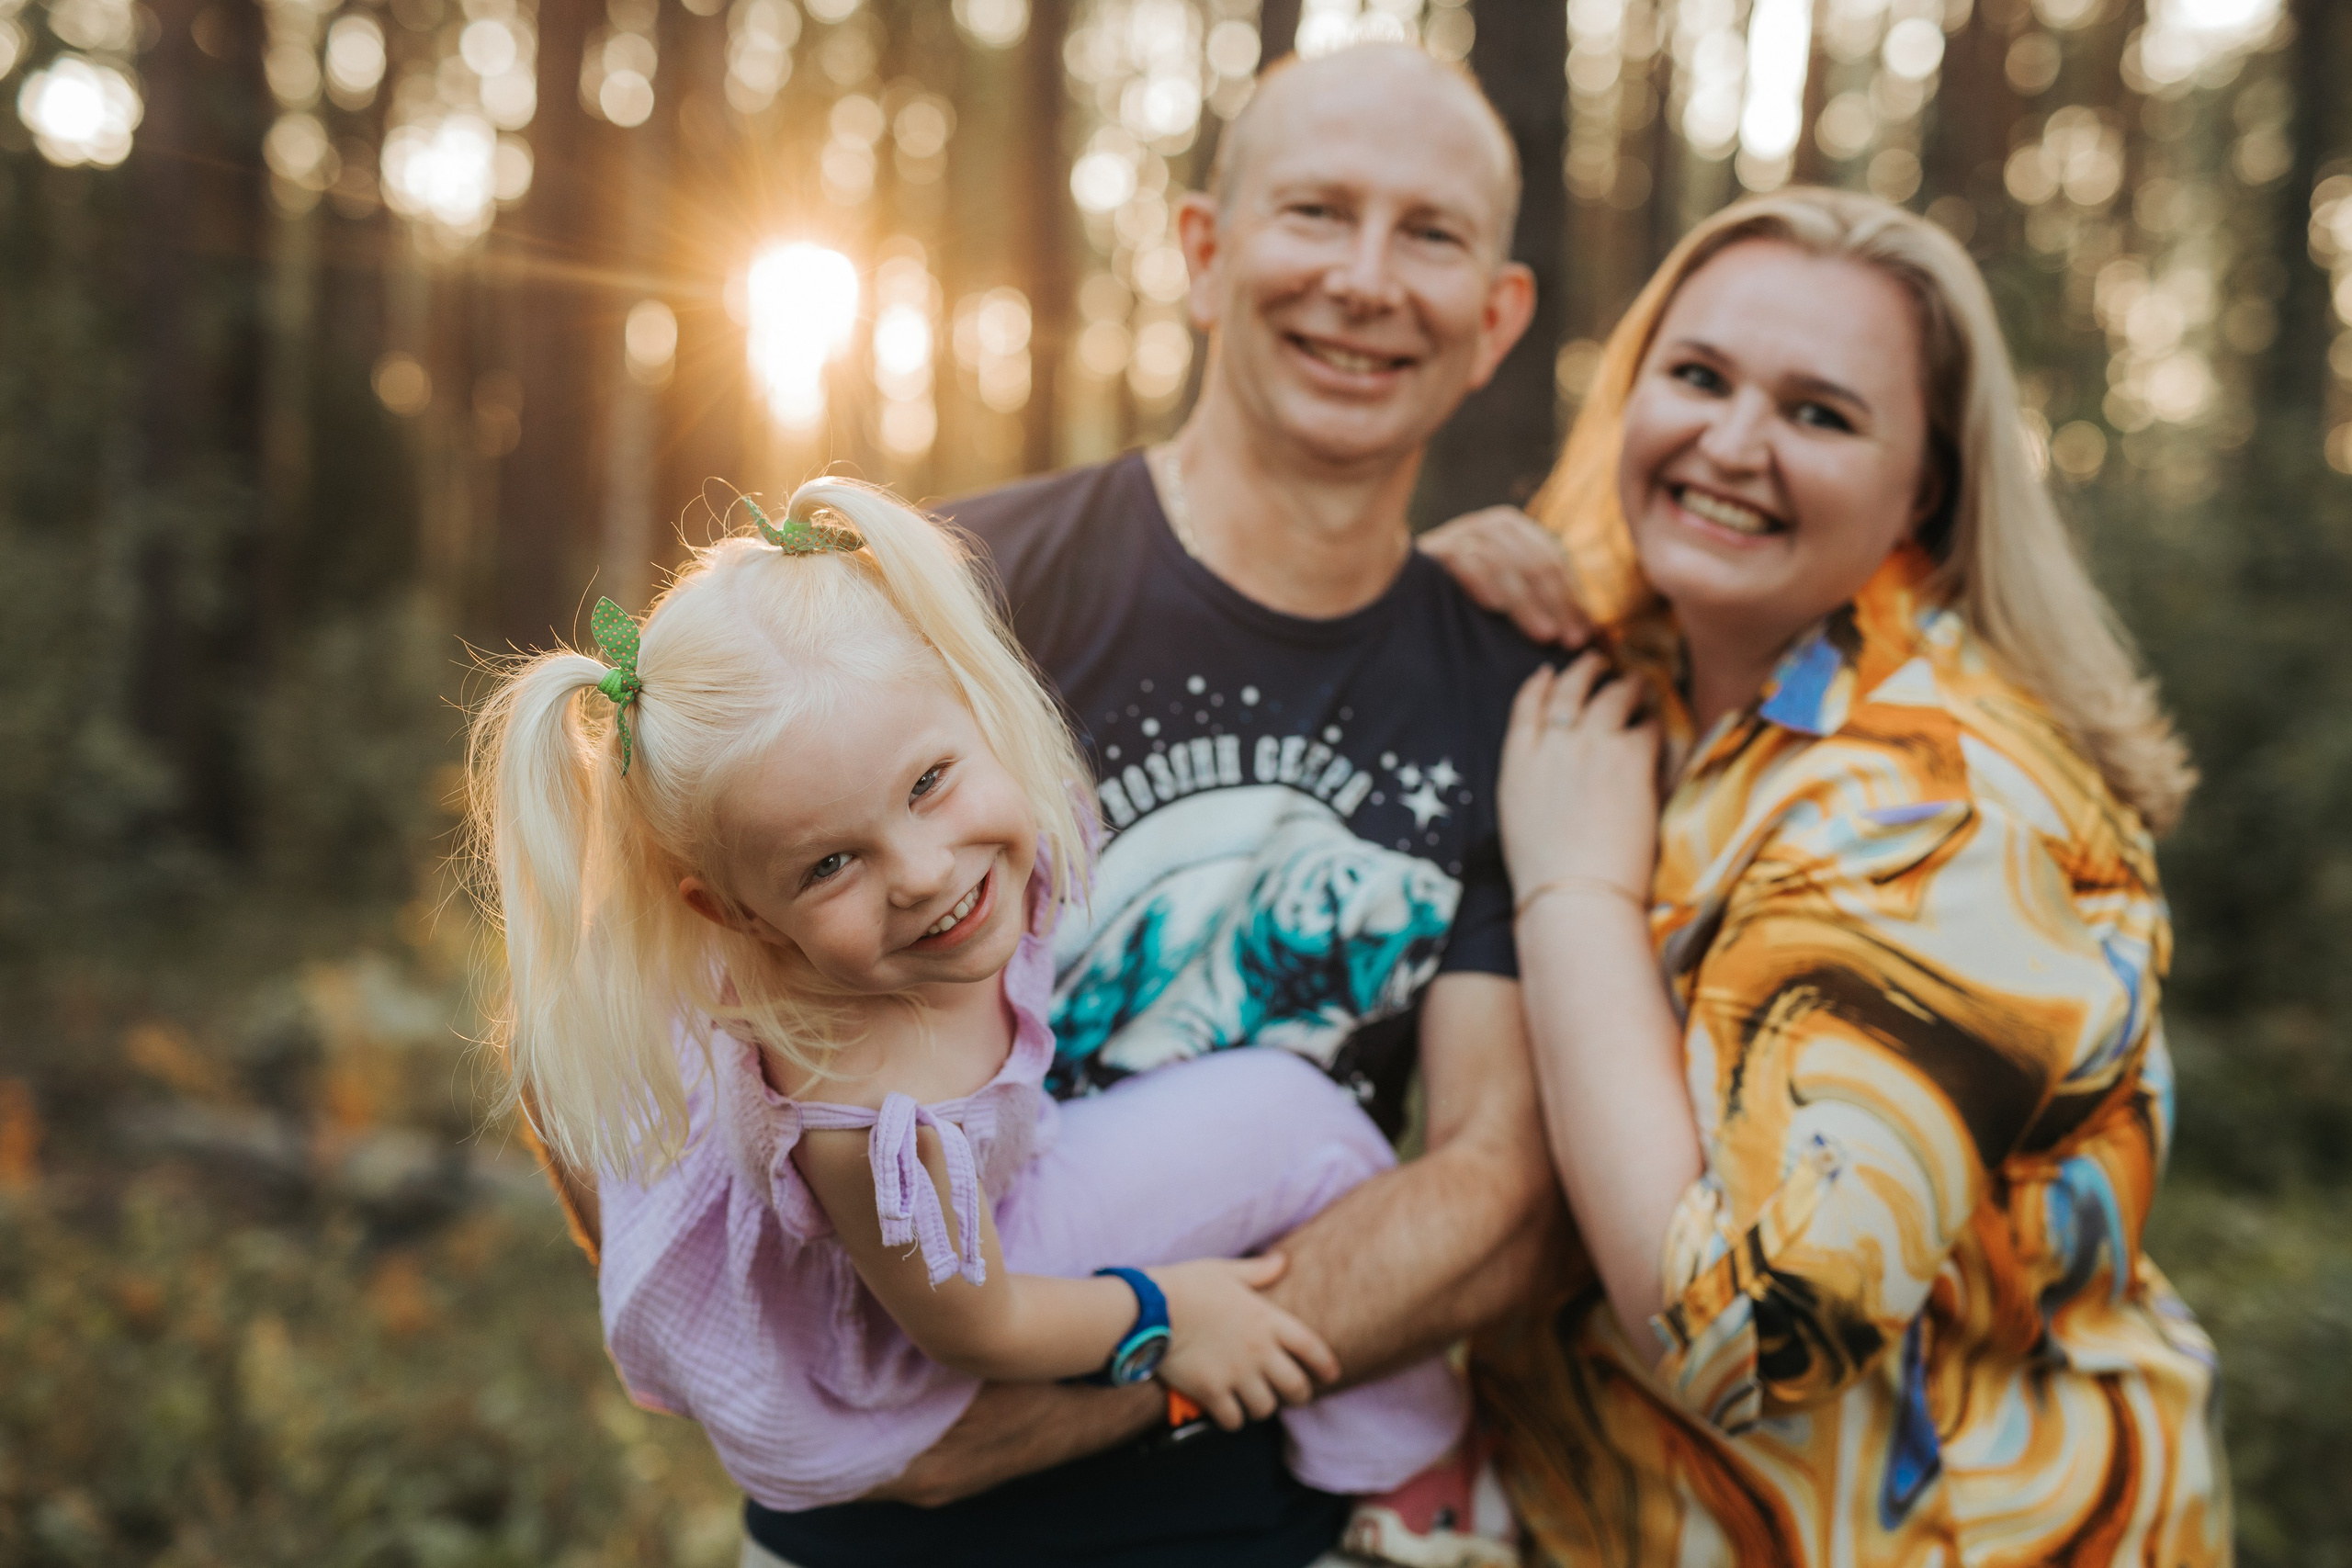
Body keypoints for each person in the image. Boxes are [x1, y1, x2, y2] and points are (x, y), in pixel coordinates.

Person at [734, 40, 1569, 1568]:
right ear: (1204, 252)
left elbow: (1493, 1188)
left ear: (1497, 316)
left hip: (1267, 1520)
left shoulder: (1516, 690)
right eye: (1315, 212)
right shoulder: (951, 592)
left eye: (1432, 233)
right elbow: (667, 989)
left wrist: (1076, 1388)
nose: (1367, 280)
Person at [467, 481, 1493, 1557]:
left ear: (974, 700)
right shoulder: (865, 1116)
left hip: (976, 1226)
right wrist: (1168, 1315)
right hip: (931, 1341)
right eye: (829, 865)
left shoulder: (944, 833)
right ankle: (1410, 1482)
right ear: (731, 912)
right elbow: (974, 1325)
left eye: (928, 783)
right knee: (1300, 1126)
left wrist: (1413, 571)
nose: (922, 874)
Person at [1468, 187, 2230, 1563]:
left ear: (1922, 484)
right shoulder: (1651, 678)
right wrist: (1432, 604)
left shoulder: (1946, 806)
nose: (1731, 441)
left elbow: (1746, 1335)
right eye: (1697, 376)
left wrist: (1574, 894)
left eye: (1820, 413)